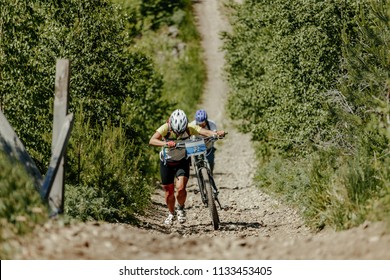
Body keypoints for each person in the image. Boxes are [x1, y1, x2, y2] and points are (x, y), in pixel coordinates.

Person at [149, 109, 225, 225]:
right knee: (169, 192)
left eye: (182, 131)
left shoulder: (189, 128)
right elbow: (152, 140)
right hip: (166, 162)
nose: (179, 134)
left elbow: (204, 131)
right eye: (176, 132)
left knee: (180, 189)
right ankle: (171, 213)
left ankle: (180, 208)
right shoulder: (165, 128)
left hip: (182, 161)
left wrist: (215, 134)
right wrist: (165, 143)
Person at [190, 109, 218, 174]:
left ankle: (210, 175)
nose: (201, 126)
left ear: (206, 120)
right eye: (199, 124)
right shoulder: (192, 125)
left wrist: (213, 138)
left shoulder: (211, 124)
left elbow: (215, 134)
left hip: (208, 147)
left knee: (210, 161)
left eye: (203, 124)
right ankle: (199, 175)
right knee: (197, 162)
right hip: (197, 147)